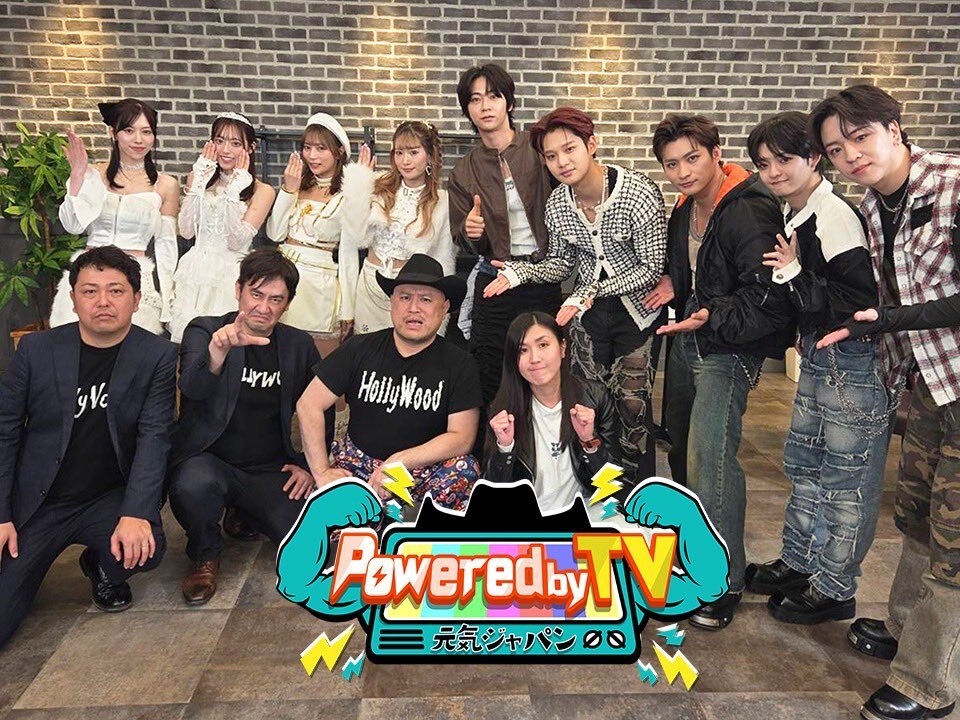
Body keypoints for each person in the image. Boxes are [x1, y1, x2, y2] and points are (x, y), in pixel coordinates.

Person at [809, 84, 960, 720]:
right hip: (930, 381)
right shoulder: (874, 206)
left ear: (894, 129)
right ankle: (905, 630)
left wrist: (890, 320)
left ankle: (929, 681)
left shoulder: (952, 184)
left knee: (955, 538)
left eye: (860, 138)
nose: (851, 156)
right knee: (918, 515)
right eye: (836, 150)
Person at [740, 111, 890, 625]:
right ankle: (800, 562)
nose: (774, 172)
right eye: (764, 164)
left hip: (852, 361)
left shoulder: (833, 215)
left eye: (784, 159)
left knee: (846, 480)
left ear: (813, 157)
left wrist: (794, 271)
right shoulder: (796, 213)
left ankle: (835, 587)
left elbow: (858, 303)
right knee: (804, 466)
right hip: (819, 355)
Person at [651, 114, 795, 630]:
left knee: (710, 458)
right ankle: (697, 548)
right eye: (672, 164)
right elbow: (697, 268)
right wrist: (677, 283)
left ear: (717, 153)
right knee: (683, 450)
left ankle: (725, 581)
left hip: (730, 347)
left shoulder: (749, 208)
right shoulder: (685, 208)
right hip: (691, 336)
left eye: (692, 158)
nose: (683, 172)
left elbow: (767, 297)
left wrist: (712, 314)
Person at [0, 246, 177, 648]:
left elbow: (154, 437)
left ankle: (100, 563)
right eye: (89, 291)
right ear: (73, 298)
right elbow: (5, 432)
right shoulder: (36, 351)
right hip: (39, 503)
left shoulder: (157, 356)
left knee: (147, 547)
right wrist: (2, 515)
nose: (102, 302)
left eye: (116, 291)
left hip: (104, 498)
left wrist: (136, 512)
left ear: (136, 299)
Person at [483, 107, 666, 482]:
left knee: (633, 407)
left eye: (570, 149)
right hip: (588, 317)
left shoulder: (638, 192)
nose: (562, 162)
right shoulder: (557, 205)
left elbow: (650, 268)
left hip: (638, 312)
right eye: (551, 156)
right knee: (587, 403)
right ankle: (591, 485)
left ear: (591, 144)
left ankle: (634, 492)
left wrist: (591, 291)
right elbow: (561, 265)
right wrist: (520, 273)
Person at [167, 248, 320, 605]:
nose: (263, 307)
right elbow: (191, 388)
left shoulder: (298, 344)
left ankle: (242, 510)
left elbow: (319, 407)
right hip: (209, 460)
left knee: (304, 538)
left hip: (268, 466)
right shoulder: (205, 329)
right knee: (194, 484)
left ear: (287, 304)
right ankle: (204, 553)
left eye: (275, 299)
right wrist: (217, 355)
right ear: (238, 290)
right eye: (256, 294)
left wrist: (308, 464)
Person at [297, 254, 482, 511]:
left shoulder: (460, 363)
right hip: (359, 468)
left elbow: (462, 437)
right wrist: (321, 471)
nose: (413, 308)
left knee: (464, 469)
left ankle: (403, 519)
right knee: (328, 517)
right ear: (392, 302)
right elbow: (309, 404)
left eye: (426, 299)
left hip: (421, 473)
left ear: (444, 307)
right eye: (405, 297)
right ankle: (383, 519)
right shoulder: (360, 348)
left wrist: (399, 461)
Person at [448, 63, 562, 405]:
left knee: (543, 371)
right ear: (467, 109)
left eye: (493, 96)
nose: (485, 106)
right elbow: (462, 237)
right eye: (475, 99)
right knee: (489, 370)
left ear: (508, 103)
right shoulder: (464, 170)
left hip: (541, 274)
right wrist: (471, 232)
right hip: (495, 275)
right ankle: (494, 438)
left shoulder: (538, 148)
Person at [53, 99, 180, 333]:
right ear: (113, 133)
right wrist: (77, 176)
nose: (138, 140)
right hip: (90, 273)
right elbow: (73, 225)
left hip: (135, 277)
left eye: (146, 132)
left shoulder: (166, 185)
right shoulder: (93, 174)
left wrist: (169, 299)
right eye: (129, 131)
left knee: (133, 349)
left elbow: (167, 247)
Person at [484, 312, 627, 518]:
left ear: (562, 348)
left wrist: (589, 441)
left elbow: (613, 485)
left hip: (587, 512)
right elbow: (493, 496)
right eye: (523, 350)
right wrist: (505, 448)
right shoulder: (503, 410)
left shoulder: (594, 397)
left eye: (543, 345)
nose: (535, 358)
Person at [169, 112, 276, 343]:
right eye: (219, 141)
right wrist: (198, 181)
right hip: (195, 270)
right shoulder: (198, 177)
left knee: (226, 342)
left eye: (235, 143)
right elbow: (186, 231)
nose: (225, 150)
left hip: (230, 273)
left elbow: (236, 241)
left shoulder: (262, 191)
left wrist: (234, 191)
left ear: (251, 148)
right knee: (188, 343)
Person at [341, 121, 457, 334]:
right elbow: (354, 236)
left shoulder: (442, 202)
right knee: (368, 350)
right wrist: (358, 185)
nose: (405, 161)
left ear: (429, 155)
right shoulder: (377, 186)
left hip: (411, 293)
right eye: (399, 152)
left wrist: (439, 318)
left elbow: (443, 259)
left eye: (413, 152)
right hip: (370, 285)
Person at [265, 112, 358, 345]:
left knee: (314, 357)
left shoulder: (347, 194)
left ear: (339, 152)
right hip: (281, 279)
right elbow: (275, 234)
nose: (312, 156)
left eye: (321, 148)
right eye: (307, 148)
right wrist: (288, 190)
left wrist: (348, 309)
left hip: (318, 287)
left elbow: (348, 253)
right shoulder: (297, 185)